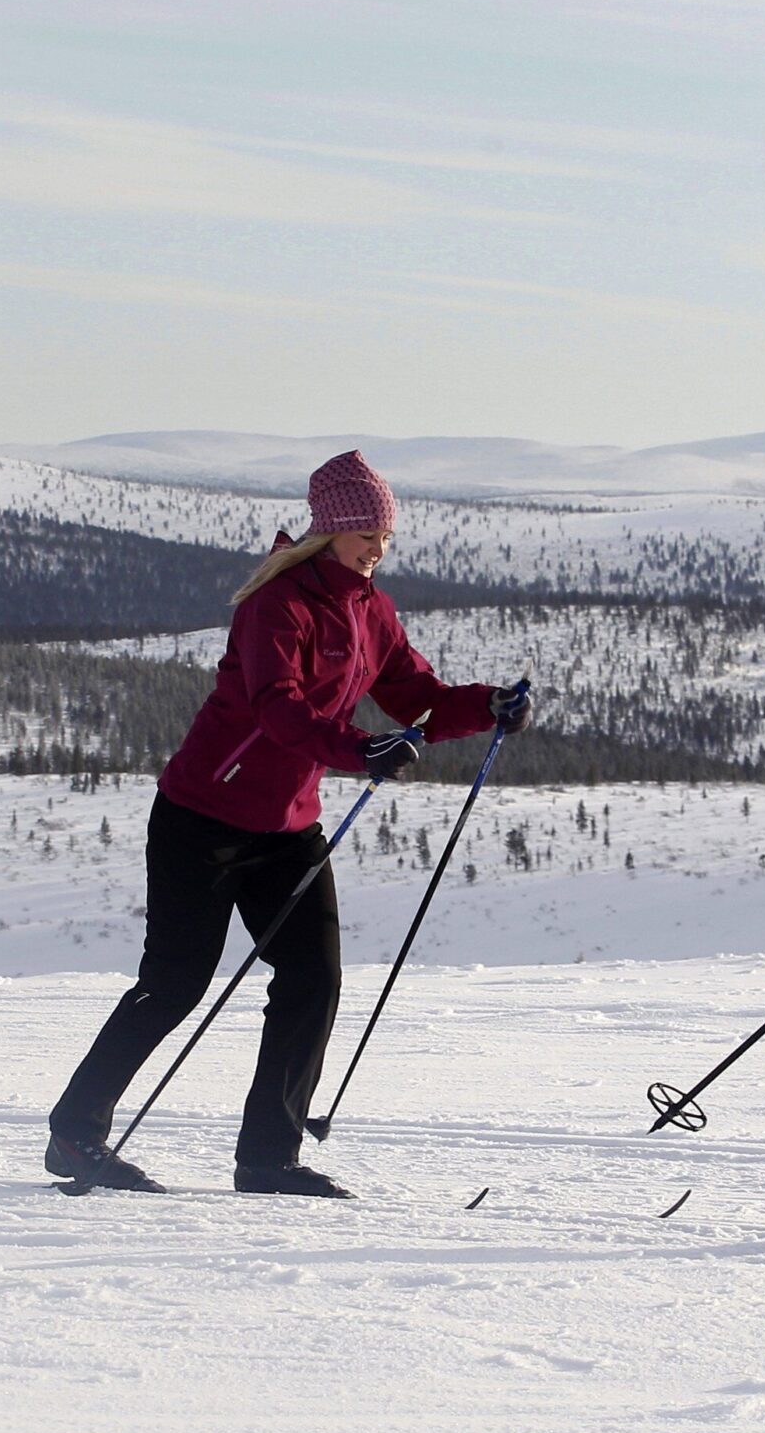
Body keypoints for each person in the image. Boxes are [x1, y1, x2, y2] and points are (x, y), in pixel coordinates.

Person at [46, 450, 532, 1197]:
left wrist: (486, 704)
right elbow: (280, 709)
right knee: (174, 984)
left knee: (313, 978)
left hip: (287, 828)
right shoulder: (278, 603)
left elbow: (416, 695)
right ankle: (75, 1133)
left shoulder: (370, 609)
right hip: (202, 819)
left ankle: (269, 1159)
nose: (378, 549)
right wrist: (359, 749)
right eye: (367, 535)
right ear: (330, 531)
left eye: (386, 537)